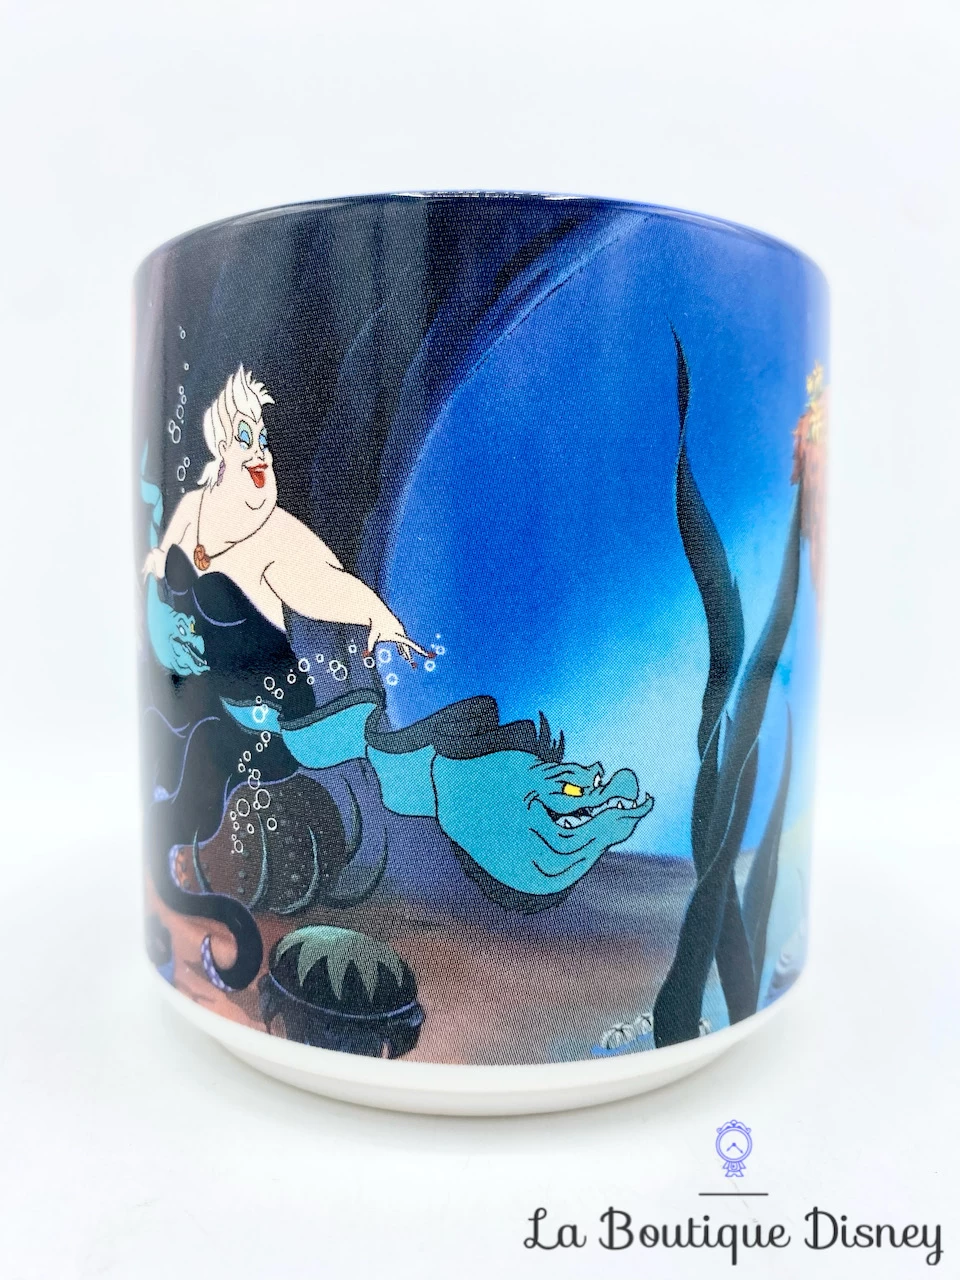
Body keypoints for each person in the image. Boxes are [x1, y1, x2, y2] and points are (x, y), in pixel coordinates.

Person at [142, 364, 429, 663]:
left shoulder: (274, 538)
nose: (259, 452)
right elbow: (161, 559)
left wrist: (378, 617)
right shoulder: (194, 506)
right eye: (245, 438)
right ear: (224, 448)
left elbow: (325, 584)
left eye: (262, 440)